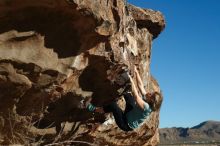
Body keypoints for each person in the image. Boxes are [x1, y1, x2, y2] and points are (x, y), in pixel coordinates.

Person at [84, 66, 162, 131]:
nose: (150, 93)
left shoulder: (147, 108)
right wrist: (136, 71)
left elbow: (136, 96)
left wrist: (130, 80)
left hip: (126, 124)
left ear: (151, 100)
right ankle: (120, 84)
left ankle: (94, 109)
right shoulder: (147, 99)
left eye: (151, 95)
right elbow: (140, 86)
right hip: (130, 112)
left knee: (113, 106)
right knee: (127, 94)